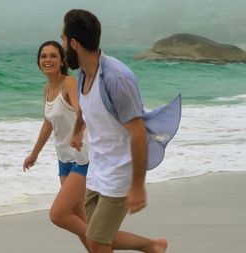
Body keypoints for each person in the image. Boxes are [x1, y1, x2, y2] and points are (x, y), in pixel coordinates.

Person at [63, 9, 168, 253]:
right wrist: (78, 130)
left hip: (121, 171)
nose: (62, 44)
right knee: (94, 236)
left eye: (62, 39)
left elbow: (138, 132)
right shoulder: (82, 74)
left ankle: (152, 246)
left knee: (98, 243)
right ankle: (152, 246)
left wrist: (138, 186)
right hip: (98, 167)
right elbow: (86, 106)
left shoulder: (117, 79)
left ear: (73, 43)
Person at [23, 40, 90, 248]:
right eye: (43, 56)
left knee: (61, 214)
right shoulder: (47, 89)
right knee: (79, 217)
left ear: (62, 61)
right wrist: (34, 154)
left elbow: (83, 112)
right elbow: (48, 122)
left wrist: (77, 133)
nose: (48, 60)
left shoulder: (68, 83)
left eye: (53, 55)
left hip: (81, 157)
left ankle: (106, 240)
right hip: (64, 160)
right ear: (38, 62)